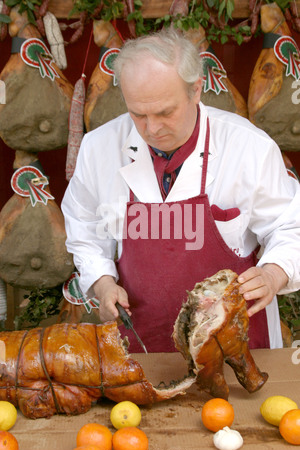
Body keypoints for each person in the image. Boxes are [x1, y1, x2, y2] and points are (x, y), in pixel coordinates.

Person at [61, 28, 300, 353]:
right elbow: (84, 231)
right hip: (142, 345)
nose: (152, 129)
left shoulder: (249, 147)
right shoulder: (98, 148)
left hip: (235, 345)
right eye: (138, 114)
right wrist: (102, 284)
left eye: (165, 112)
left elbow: (290, 226)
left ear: (196, 89)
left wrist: (273, 273)